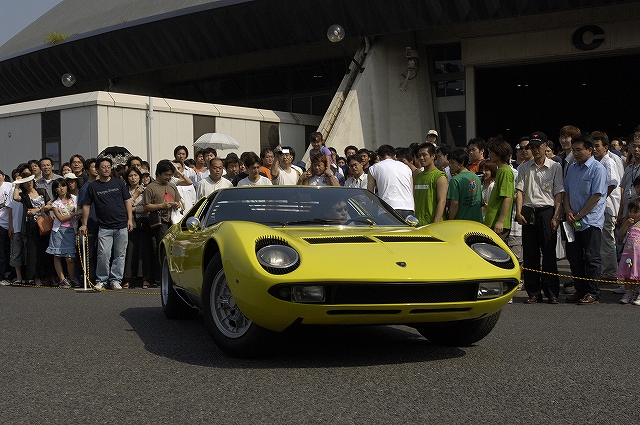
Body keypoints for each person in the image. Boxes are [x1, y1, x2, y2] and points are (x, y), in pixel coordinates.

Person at [515, 131, 564, 304]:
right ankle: (533, 292)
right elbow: (519, 191)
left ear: (545, 146)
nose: (535, 150)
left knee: (549, 253)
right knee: (530, 254)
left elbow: (559, 193)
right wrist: (518, 212)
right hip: (529, 211)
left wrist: (556, 216)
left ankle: (552, 292)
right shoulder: (523, 167)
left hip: (547, 211)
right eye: (532, 147)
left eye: (538, 146)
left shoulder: (555, 166)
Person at [563, 133, 608, 305]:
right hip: (572, 220)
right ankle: (580, 289)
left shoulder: (598, 169)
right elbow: (566, 191)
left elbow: (596, 196)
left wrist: (580, 215)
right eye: (573, 150)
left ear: (590, 150)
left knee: (591, 257)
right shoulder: (573, 167)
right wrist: (567, 210)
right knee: (574, 258)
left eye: (579, 150)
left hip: (590, 221)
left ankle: (593, 292)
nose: (575, 153)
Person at [79, 157, 133, 291]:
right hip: (104, 226)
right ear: (97, 169)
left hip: (121, 225)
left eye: (108, 166)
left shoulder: (119, 183)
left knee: (120, 255)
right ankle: (101, 280)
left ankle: (116, 280)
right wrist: (84, 224)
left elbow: (127, 201)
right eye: (103, 167)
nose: (106, 169)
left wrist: (130, 220)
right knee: (103, 254)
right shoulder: (93, 186)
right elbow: (86, 206)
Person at [144, 160, 182, 283]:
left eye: (170, 175)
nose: (168, 177)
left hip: (173, 221)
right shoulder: (151, 187)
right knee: (161, 249)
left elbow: (179, 202)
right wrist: (162, 206)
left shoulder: (172, 186)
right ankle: (159, 276)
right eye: (166, 174)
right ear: (158, 173)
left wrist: (176, 204)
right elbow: (146, 207)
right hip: (159, 223)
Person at [591, 131, 622, 282]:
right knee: (600, 241)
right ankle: (605, 270)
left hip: (607, 207)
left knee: (607, 240)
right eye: (592, 146)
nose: (594, 149)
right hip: (598, 207)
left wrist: (600, 199)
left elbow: (612, 184)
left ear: (606, 147)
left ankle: (610, 272)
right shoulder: (595, 161)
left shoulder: (608, 161)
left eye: (597, 146)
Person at [13, 171, 52, 286]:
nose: (28, 184)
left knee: (46, 251)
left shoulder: (42, 191)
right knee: (33, 253)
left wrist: (38, 209)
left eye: (30, 181)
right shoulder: (24, 196)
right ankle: (36, 277)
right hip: (32, 226)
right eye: (25, 183)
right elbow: (15, 197)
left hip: (45, 224)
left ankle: (49, 276)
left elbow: (50, 205)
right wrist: (17, 184)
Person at [46, 178, 81, 288]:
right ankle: (62, 279)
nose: (61, 188)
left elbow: (80, 210)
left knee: (69, 257)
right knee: (57, 255)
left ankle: (72, 278)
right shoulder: (55, 203)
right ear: (55, 189)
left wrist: (79, 214)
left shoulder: (75, 198)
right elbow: (60, 218)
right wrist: (75, 214)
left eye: (63, 186)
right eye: (58, 187)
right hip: (58, 231)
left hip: (71, 230)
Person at [367, 144, 414, 218]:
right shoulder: (406, 168)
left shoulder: (374, 168)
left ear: (379, 157)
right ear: (395, 156)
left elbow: (369, 193)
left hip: (387, 207)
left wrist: (369, 215)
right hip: (408, 207)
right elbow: (411, 191)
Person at [124, 167, 152, 289]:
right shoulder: (124, 191)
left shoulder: (146, 190)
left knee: (144, 251)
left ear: (139, 177)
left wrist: (134, 208)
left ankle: (145, 277)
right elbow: (124, 206)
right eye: (130, 176)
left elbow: (146, 207)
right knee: (130, 252)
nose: (133, 178)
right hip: (130, 225)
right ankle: (128, 278)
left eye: (135, 175)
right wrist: (135, 196)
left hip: (144, 224)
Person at [484, 138, 515, 241]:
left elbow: (507, 197)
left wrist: (501, 221)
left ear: (499, 153)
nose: (489, 155)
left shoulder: (505, 171)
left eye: (491, 152)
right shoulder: (500, 170)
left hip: (498, 222)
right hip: (493, 220)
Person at [413, 142, 447, 225]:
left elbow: (442, 201)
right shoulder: (417, 177)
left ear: (433, 156)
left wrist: (435, 222)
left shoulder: (440, 176)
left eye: (424, 155)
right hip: (419, 224)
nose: (421, 158)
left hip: (434, 225)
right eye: (419, 155)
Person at [446, 148, 483, 222]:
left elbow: (454, 204)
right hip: (477, 222)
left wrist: (450, 221)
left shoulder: (455, 180)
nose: (449, 165)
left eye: (452, 163)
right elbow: (480, 201)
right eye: (449, 162)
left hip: (462, 223)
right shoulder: (476, 177)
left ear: (462, 163)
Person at [616, 198, 640, 304]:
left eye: (635, 212)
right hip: (628, 255)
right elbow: (620, 233)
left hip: (638, 256)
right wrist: (626, 224)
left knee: (638, 274)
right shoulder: (629, 224)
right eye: (630, 211)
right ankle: (628, 293)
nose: (632, 214)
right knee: (627, 275)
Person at [0, 170, 13, 283]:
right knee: (2, 251)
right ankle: (2, 274)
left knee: (9, 250)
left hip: (8, 222)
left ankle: (9, 273)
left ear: (3, 176)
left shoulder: (9, 186)